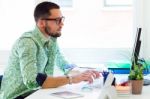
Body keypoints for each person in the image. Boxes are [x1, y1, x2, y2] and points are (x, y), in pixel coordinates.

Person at [0, 1, 100, 99]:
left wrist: (82, 72)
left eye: (62, 19)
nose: (62, 24)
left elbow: (63, 64)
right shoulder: (27, 43)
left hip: (38, 93)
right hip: (18, 96)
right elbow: (32, 81)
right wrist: (72, 79)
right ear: (41, 22)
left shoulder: (51, 39)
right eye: (57, 20)